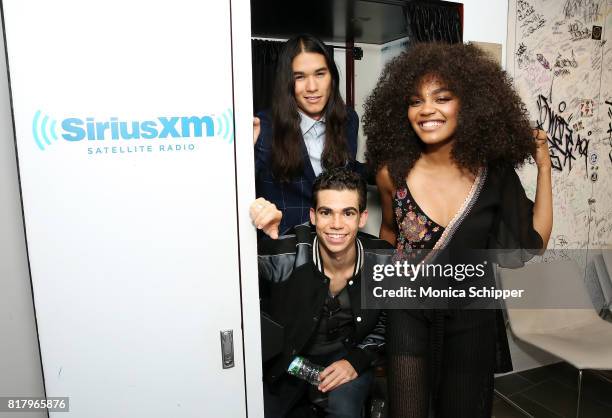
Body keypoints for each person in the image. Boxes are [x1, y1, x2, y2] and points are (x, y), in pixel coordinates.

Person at [362, 42, 553, 417]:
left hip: (471, 317)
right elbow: (388, 233)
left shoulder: (493, 175)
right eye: (415, 101)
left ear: (468, 104)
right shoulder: (390, 173)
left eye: (442, 97)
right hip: (409, 315)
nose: (427, 110)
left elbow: (534, 243)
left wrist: (545, 169)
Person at [253, 168, 391, 418]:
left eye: (348, 213)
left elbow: (388, 322)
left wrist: (357, 360)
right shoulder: (283, 255)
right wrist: (252, 230)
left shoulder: (383, 259)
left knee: (345, 411)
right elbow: (227, 280)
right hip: (288, 361)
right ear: (313, 216)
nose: (337, 225)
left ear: (362, 218)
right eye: (326, 212)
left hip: (347, 356)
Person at [251, 34, 360, 239]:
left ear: (332, 77)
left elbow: (348, 170)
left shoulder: (348, 119)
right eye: (299, 77)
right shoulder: (264, 127)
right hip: (284, 251)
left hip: (336, 246)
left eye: (320, 74)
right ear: (287, 83)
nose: (312, 87)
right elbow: (238, 192)